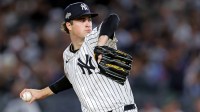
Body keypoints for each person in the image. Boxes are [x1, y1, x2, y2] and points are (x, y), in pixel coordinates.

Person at [20, 2, 138, 112]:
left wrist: (101, 45)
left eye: (89, 19)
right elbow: (72, 77)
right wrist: (40, 93)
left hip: (120, 109)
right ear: (69, 25)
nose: (88, 23)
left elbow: (112, 19)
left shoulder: (96, 37)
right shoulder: (67, 55)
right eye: (82, 20)